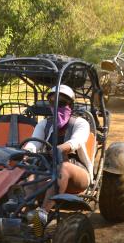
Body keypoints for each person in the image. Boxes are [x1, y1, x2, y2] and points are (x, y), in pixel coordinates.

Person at [22, 84, 93, 225]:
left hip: (76, 172)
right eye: (53, 103)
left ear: (70, 105)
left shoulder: (80, 123)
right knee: (28, 177)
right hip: (50, 171)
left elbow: (76, 142)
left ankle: (42, 214)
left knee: (63, 168)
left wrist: (60, 149)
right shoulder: (45, 124)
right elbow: (34, 144)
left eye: (61, 103)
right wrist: (26, 153)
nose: (56, 107)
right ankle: (26, 214)